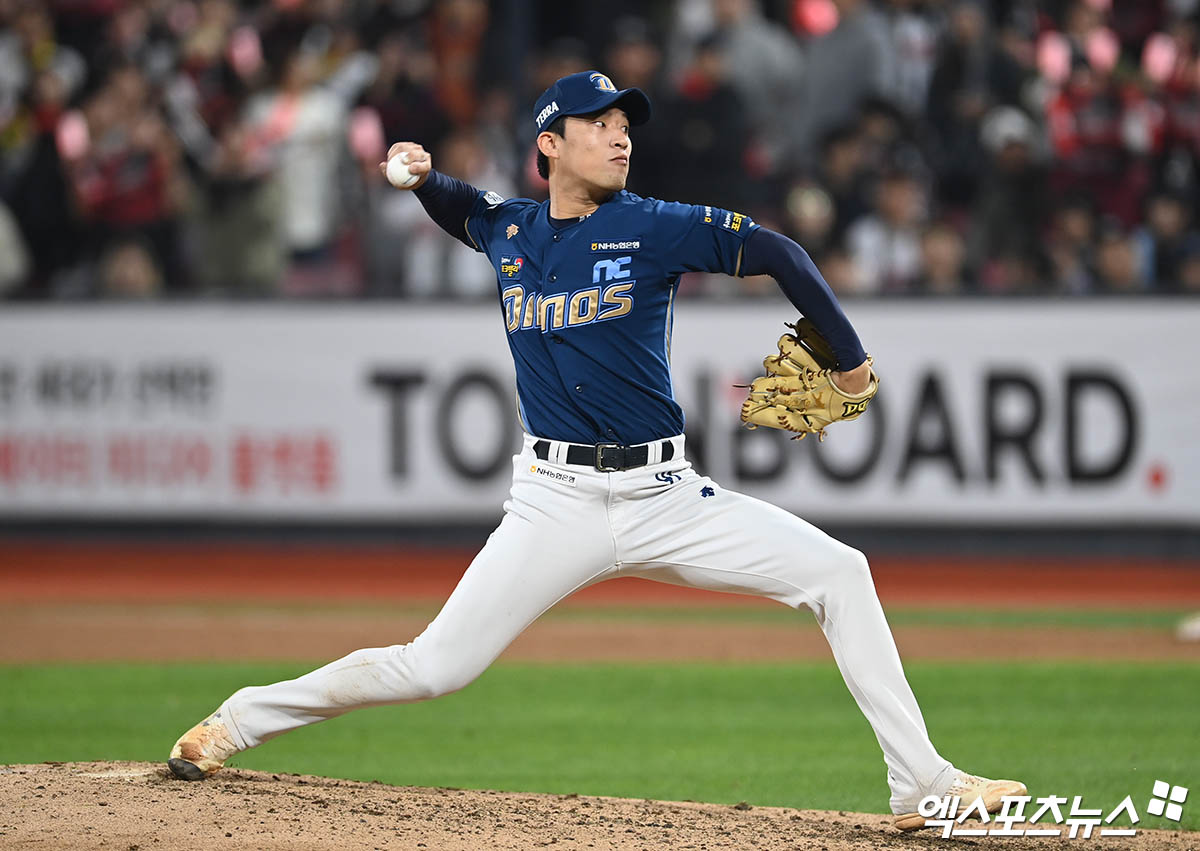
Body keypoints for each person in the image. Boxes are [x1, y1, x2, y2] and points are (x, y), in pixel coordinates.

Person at [167, 70, 1025, 831]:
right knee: (433, 666)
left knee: (841, 572)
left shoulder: (653, 226)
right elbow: (469, 209)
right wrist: (426, 177)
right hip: (553, 500)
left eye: (625, 122)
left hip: (667, 495)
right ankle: (238, 720)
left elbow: (780, 252)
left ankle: (922, 783)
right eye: (599, 121)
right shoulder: (511, 233)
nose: (620, 134)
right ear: (551, 143)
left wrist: (848, 357)